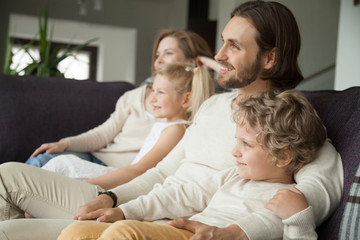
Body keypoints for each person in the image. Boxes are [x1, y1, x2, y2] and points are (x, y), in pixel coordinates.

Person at [0, 1, 343, 240]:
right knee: (7, 175)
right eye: (222, 43)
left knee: (9, 235)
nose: (219, 56)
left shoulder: (292, 122)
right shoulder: (212, 107)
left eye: (234, 46)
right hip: (136, 206)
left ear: (270, 58)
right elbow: (162, 173)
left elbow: (313, 195)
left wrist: (238, 233)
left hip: (169, 226)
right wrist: (113, 199)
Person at [58, 90, 325, 240]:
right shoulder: (234, 175)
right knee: (78, 232)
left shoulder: (290, 200)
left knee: (125, 234)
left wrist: (299, 219)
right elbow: (182, 195)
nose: (235, 151)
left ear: (284, 156)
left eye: (246, 144)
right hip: (187, 231)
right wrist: (125, 210)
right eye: (237, 141)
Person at [25, 29, 214, 169]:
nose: (159, 61)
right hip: (94, 156)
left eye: (168, 53)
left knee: (50, 170)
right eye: (157, 55)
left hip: (118, 171)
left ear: (192, 61)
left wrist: (208, 63)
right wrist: (65, 143)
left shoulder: (197, 104)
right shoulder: (134, 96)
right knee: (40, 161)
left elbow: (234, 85)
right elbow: (104, 133)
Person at [40, 63, 214, 190]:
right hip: (125, 176)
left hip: (129, 183)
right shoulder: (165, 125)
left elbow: (139, 172)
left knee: (61, 165)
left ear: (186, 100)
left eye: (160, 92)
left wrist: (83, 187)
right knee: (59, 165)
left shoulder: (176, 130)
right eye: (153, 90)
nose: (152, 98)